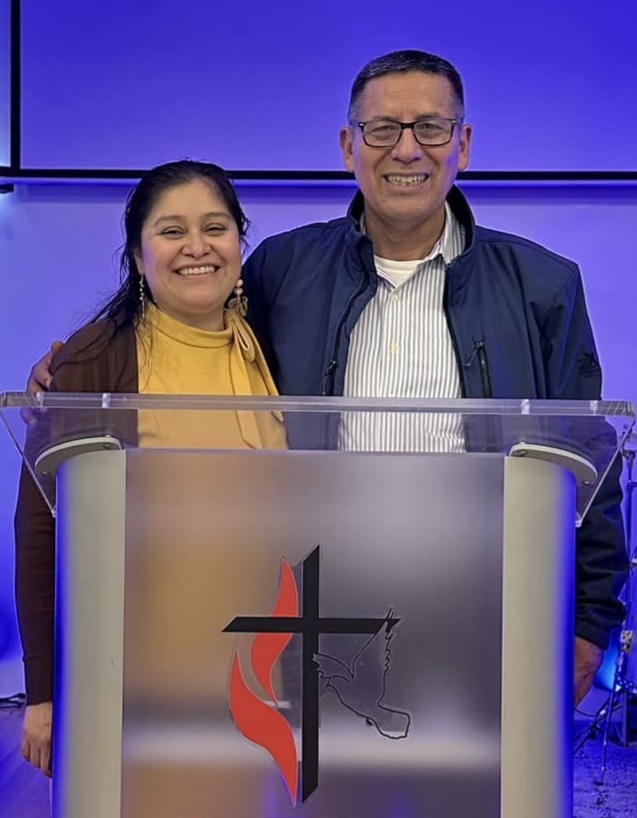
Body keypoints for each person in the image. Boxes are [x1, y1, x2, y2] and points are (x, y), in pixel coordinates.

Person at [28, 51, 627, 711]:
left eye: (430, 127)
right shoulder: (283, 269)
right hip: (317, 616)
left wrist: (589, 620)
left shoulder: (542, 286)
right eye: (382, 129)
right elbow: (197, 331)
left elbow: (588, 459)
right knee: (323, 771)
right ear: (348, 146)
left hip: (487, 609)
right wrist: (72, 375)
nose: (407, 149)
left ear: (462, 145)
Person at [16, 159, 285, 777]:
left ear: (239, 242)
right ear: (138, 257)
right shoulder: (95, 358)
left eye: (215, 228)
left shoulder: (267, 344)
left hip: (258, 669)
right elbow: (40, 529)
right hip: (135, 677)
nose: (197, 247)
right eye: (171, 231)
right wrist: (43, 693)